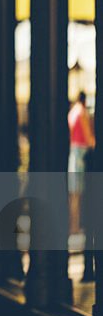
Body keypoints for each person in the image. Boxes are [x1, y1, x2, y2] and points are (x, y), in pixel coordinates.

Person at [67, 91, 95, 238]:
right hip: (81, 155)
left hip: (74, 152)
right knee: (78, 192)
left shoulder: (72, 112)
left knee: (73, 192)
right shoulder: (82, 113)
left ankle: (73, 225)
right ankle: (76, 226)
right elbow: (89, 137)